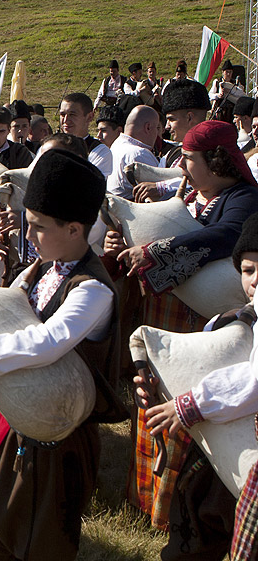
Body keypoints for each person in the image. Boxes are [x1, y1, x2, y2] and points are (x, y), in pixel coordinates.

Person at [0, 148, 123, 561]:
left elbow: (48, 341)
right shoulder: (42, 269)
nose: (29, 236)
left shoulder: (92, 289)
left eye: (36, 227)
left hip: (57, 436)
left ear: (74, 229)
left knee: (39, 539)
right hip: (12, 417)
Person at [108, 120, 258, 530]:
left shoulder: (243, 198)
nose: (182, 166)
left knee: (186, 405)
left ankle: (180, 515)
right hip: (161, 314)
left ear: (216, 160)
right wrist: (122, 246)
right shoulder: (188, 196)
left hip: (200, 327)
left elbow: (228, 235)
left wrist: (155, 249)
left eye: (190, 159)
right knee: (150, 396)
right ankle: (145, 499)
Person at [137, 216, 258, 561]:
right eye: (248, 270)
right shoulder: (230, 319)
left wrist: (187, 405)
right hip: (220, 444)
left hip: (248, 449)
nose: (256, 280)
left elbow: (255, 380)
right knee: (194, 513)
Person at [59, 92, 113, 178]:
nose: (66, 120)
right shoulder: (50, 145)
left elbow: (91, 185)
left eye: (72, 115)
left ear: (89, 117)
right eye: (62, 114)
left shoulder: (99, 152)